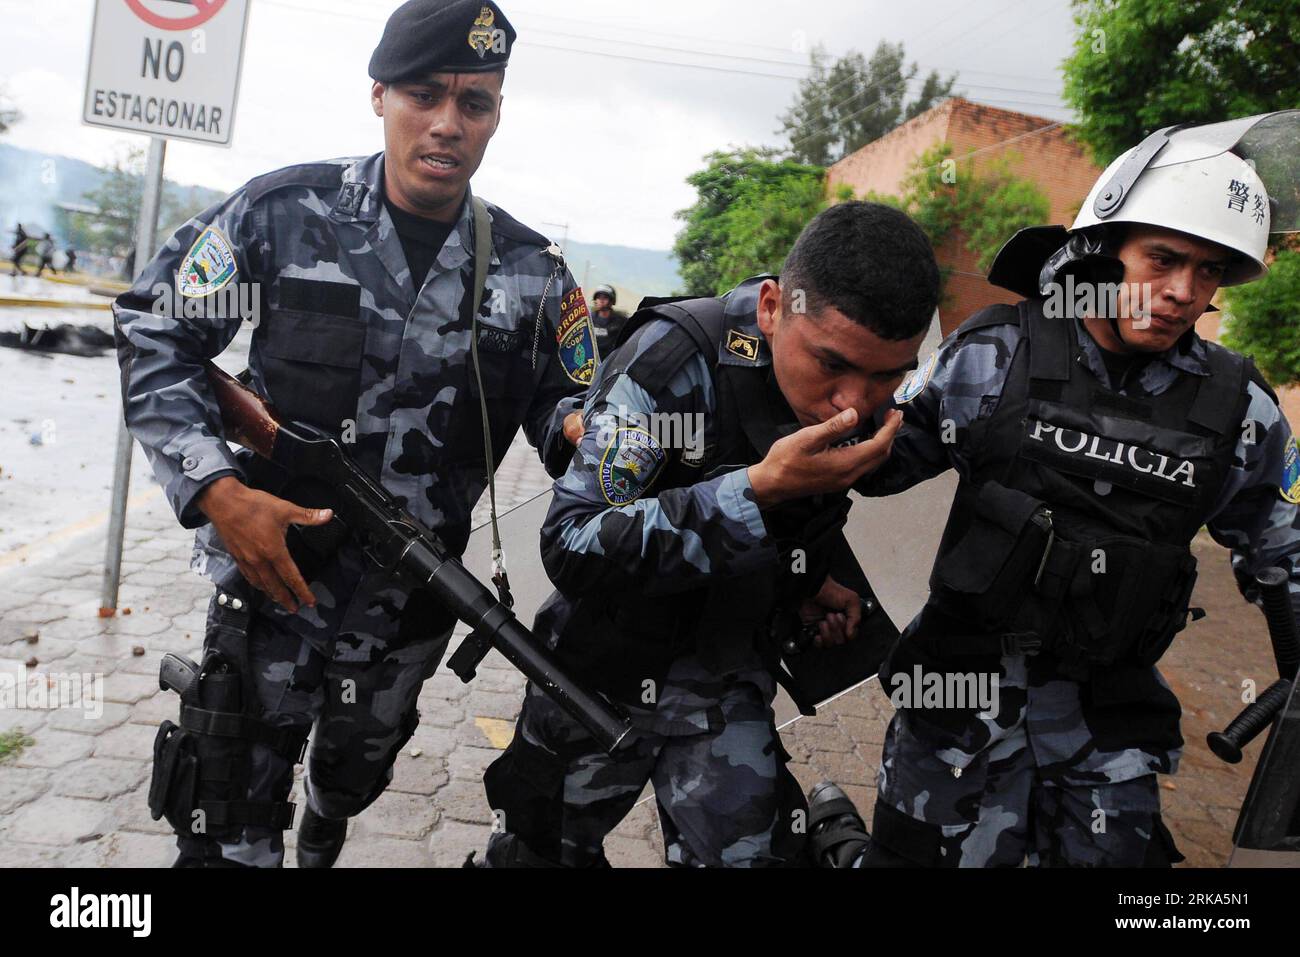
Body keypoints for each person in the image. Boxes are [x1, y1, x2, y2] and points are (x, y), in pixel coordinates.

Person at [114, 0, 592, 868]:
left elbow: (569, 425)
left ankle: (328, 815)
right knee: (225, 833)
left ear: (496, 114)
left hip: (409, 609)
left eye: (475, 103)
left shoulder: (532, 275)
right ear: (380, 95)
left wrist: (602, 431)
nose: (447, 123)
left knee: (353, 774)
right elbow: (154, 327)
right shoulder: (283, 212)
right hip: (268, 585)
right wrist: (217, 491)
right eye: (424, 93)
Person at [808, 111, 1300, 868]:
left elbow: (1285, 552)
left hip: (1109, 735)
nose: (1181, 292)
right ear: (1100, 251)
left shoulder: (1240, 409)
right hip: (956, 716)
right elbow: (867, 466)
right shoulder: (994, 355)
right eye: (1163, 259)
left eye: (1208, 272)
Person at [479, 201, 941, 867]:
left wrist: (809, 580)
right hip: (599, 674)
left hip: (724, 676)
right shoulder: (670, 362)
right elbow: (573, 539)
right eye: (833, 363)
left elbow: (807, 517)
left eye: (886, 376)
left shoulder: (864, 396)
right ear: (773, 307)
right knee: (541, 851)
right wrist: (754, 490)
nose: (854, 402)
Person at [589, 283, 627, 348]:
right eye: (598, 297)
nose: (601, 301)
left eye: (604, 298)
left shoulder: (621, 322)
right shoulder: (589, 319)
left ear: (612, 301)